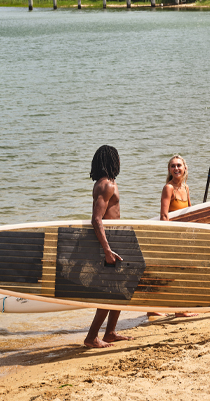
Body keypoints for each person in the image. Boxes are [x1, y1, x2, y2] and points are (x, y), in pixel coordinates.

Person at [83, 145, 131, 348]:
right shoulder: (106, 186)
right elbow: (96, 219)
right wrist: (107, 250)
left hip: (114, 240)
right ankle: (91, 337)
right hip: (108, 244)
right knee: (109, 291)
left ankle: (110, 332)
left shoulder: (109, 183)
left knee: (120, 289)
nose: (119, 163)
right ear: (111, 162)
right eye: (116, 159)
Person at [147, 155, 198, 319]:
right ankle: (179, 309)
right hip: (172, 235)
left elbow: (190, 213)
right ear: (169, 170)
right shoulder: (168, 188)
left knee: (169, 271)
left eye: (179, 166)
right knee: (176, 271)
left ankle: (152, 307)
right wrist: (170, 239)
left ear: (185, 168)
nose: (176, 169)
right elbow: (164, 215)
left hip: (183, 236)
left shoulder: (186, 188)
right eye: (173, 166)